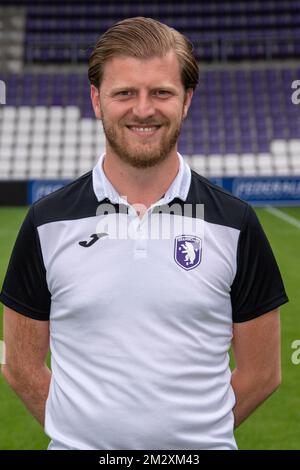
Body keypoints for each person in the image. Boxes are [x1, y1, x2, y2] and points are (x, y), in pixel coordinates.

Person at [0, 17, 288, 450]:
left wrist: (194, 441)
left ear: (186, 100)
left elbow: (263, 372)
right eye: (124, 93)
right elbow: (20, 365)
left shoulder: (236, 223)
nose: (143, 109)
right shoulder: (46, 222)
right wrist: (79, 438)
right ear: (97, 100)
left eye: (161, 92)